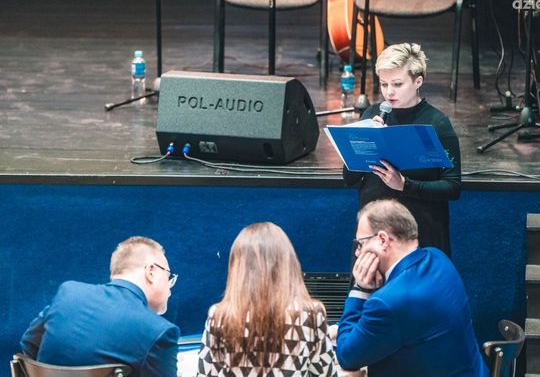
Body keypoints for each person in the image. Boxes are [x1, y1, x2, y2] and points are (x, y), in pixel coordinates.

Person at [335, 199, 488, 376]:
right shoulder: (438, 257)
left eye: (361, 243)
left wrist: (360, 289)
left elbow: (347, 357)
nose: (358, 253)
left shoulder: (387, 303)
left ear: (383, 240)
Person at [343, 43, 461, 256]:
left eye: (397, 84)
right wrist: (361, 141)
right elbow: (349, 179)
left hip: (421, 232)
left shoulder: (437, 123)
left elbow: (452, 187)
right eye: (384, 84)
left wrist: (405, 185)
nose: (389, 92)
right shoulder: (371, 114)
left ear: (418, 82)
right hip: (374, 232)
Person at [20, 236, 180, 377]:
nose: (169, 288)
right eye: (168, 276)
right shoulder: (159, 331)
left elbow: (29, 343)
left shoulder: (69, 293)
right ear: (151, 271)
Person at [197, 222, 338, 377]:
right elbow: (326, 374)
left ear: (237, 268)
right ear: (287, 263)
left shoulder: (219, 316)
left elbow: (204, 374)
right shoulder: (311, 315)